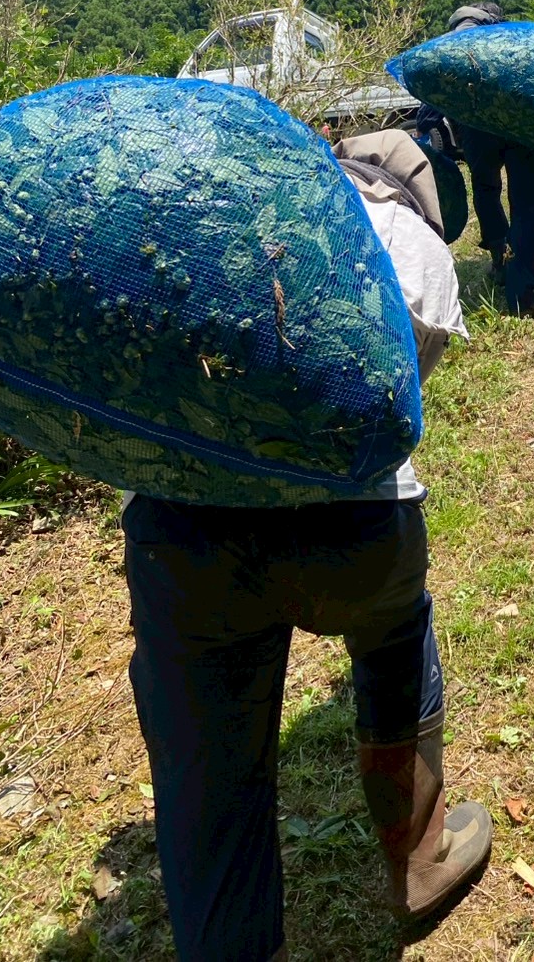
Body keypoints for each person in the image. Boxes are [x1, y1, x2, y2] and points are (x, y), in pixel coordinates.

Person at [121, 137, 493, 962]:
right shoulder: (424, 251)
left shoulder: (242, 208)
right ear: (426, 200)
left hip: (189, 539)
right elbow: (394, 414)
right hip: (358, 538)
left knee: (211, 780)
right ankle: (418, 859)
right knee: (399, 632)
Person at [415, 3, 534, 317]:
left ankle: (501, 261)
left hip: (477, 135)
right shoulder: (510, 41)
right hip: (521, 127)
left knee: (487, 190)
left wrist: (429, 131)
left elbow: (431, 108)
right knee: (526, 205)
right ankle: (523, 295)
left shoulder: (454, 46)